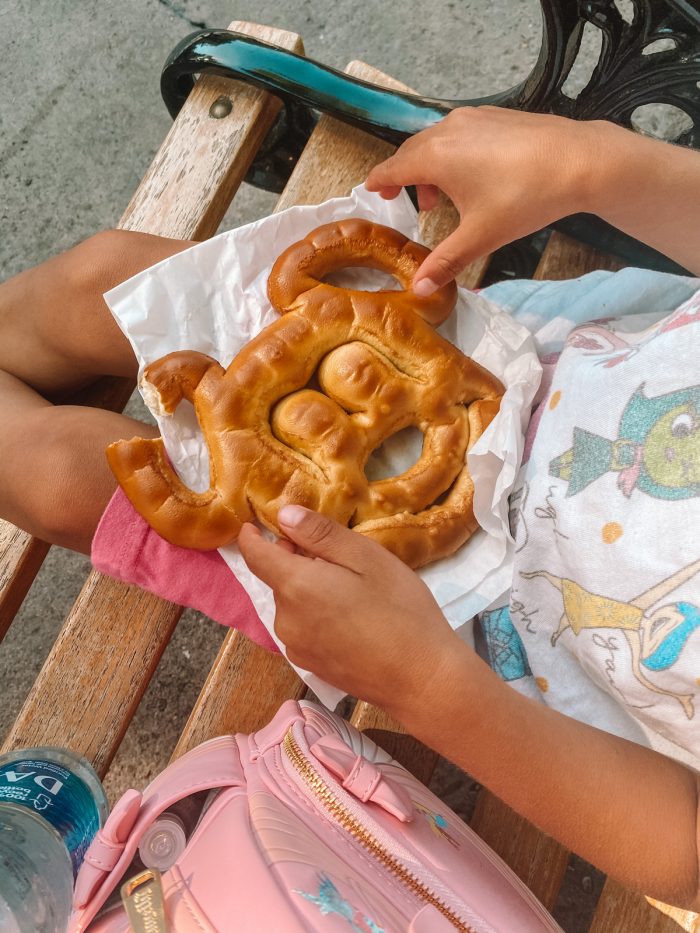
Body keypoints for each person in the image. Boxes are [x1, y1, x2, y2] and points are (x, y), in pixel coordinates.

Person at [1, 107, 699, 909]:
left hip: (448, 616)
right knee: (106, 276)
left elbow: (685, 849)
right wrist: (599, 165)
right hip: (512, 351)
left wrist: (428, 684)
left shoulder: (437, 644)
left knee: (58, 474)